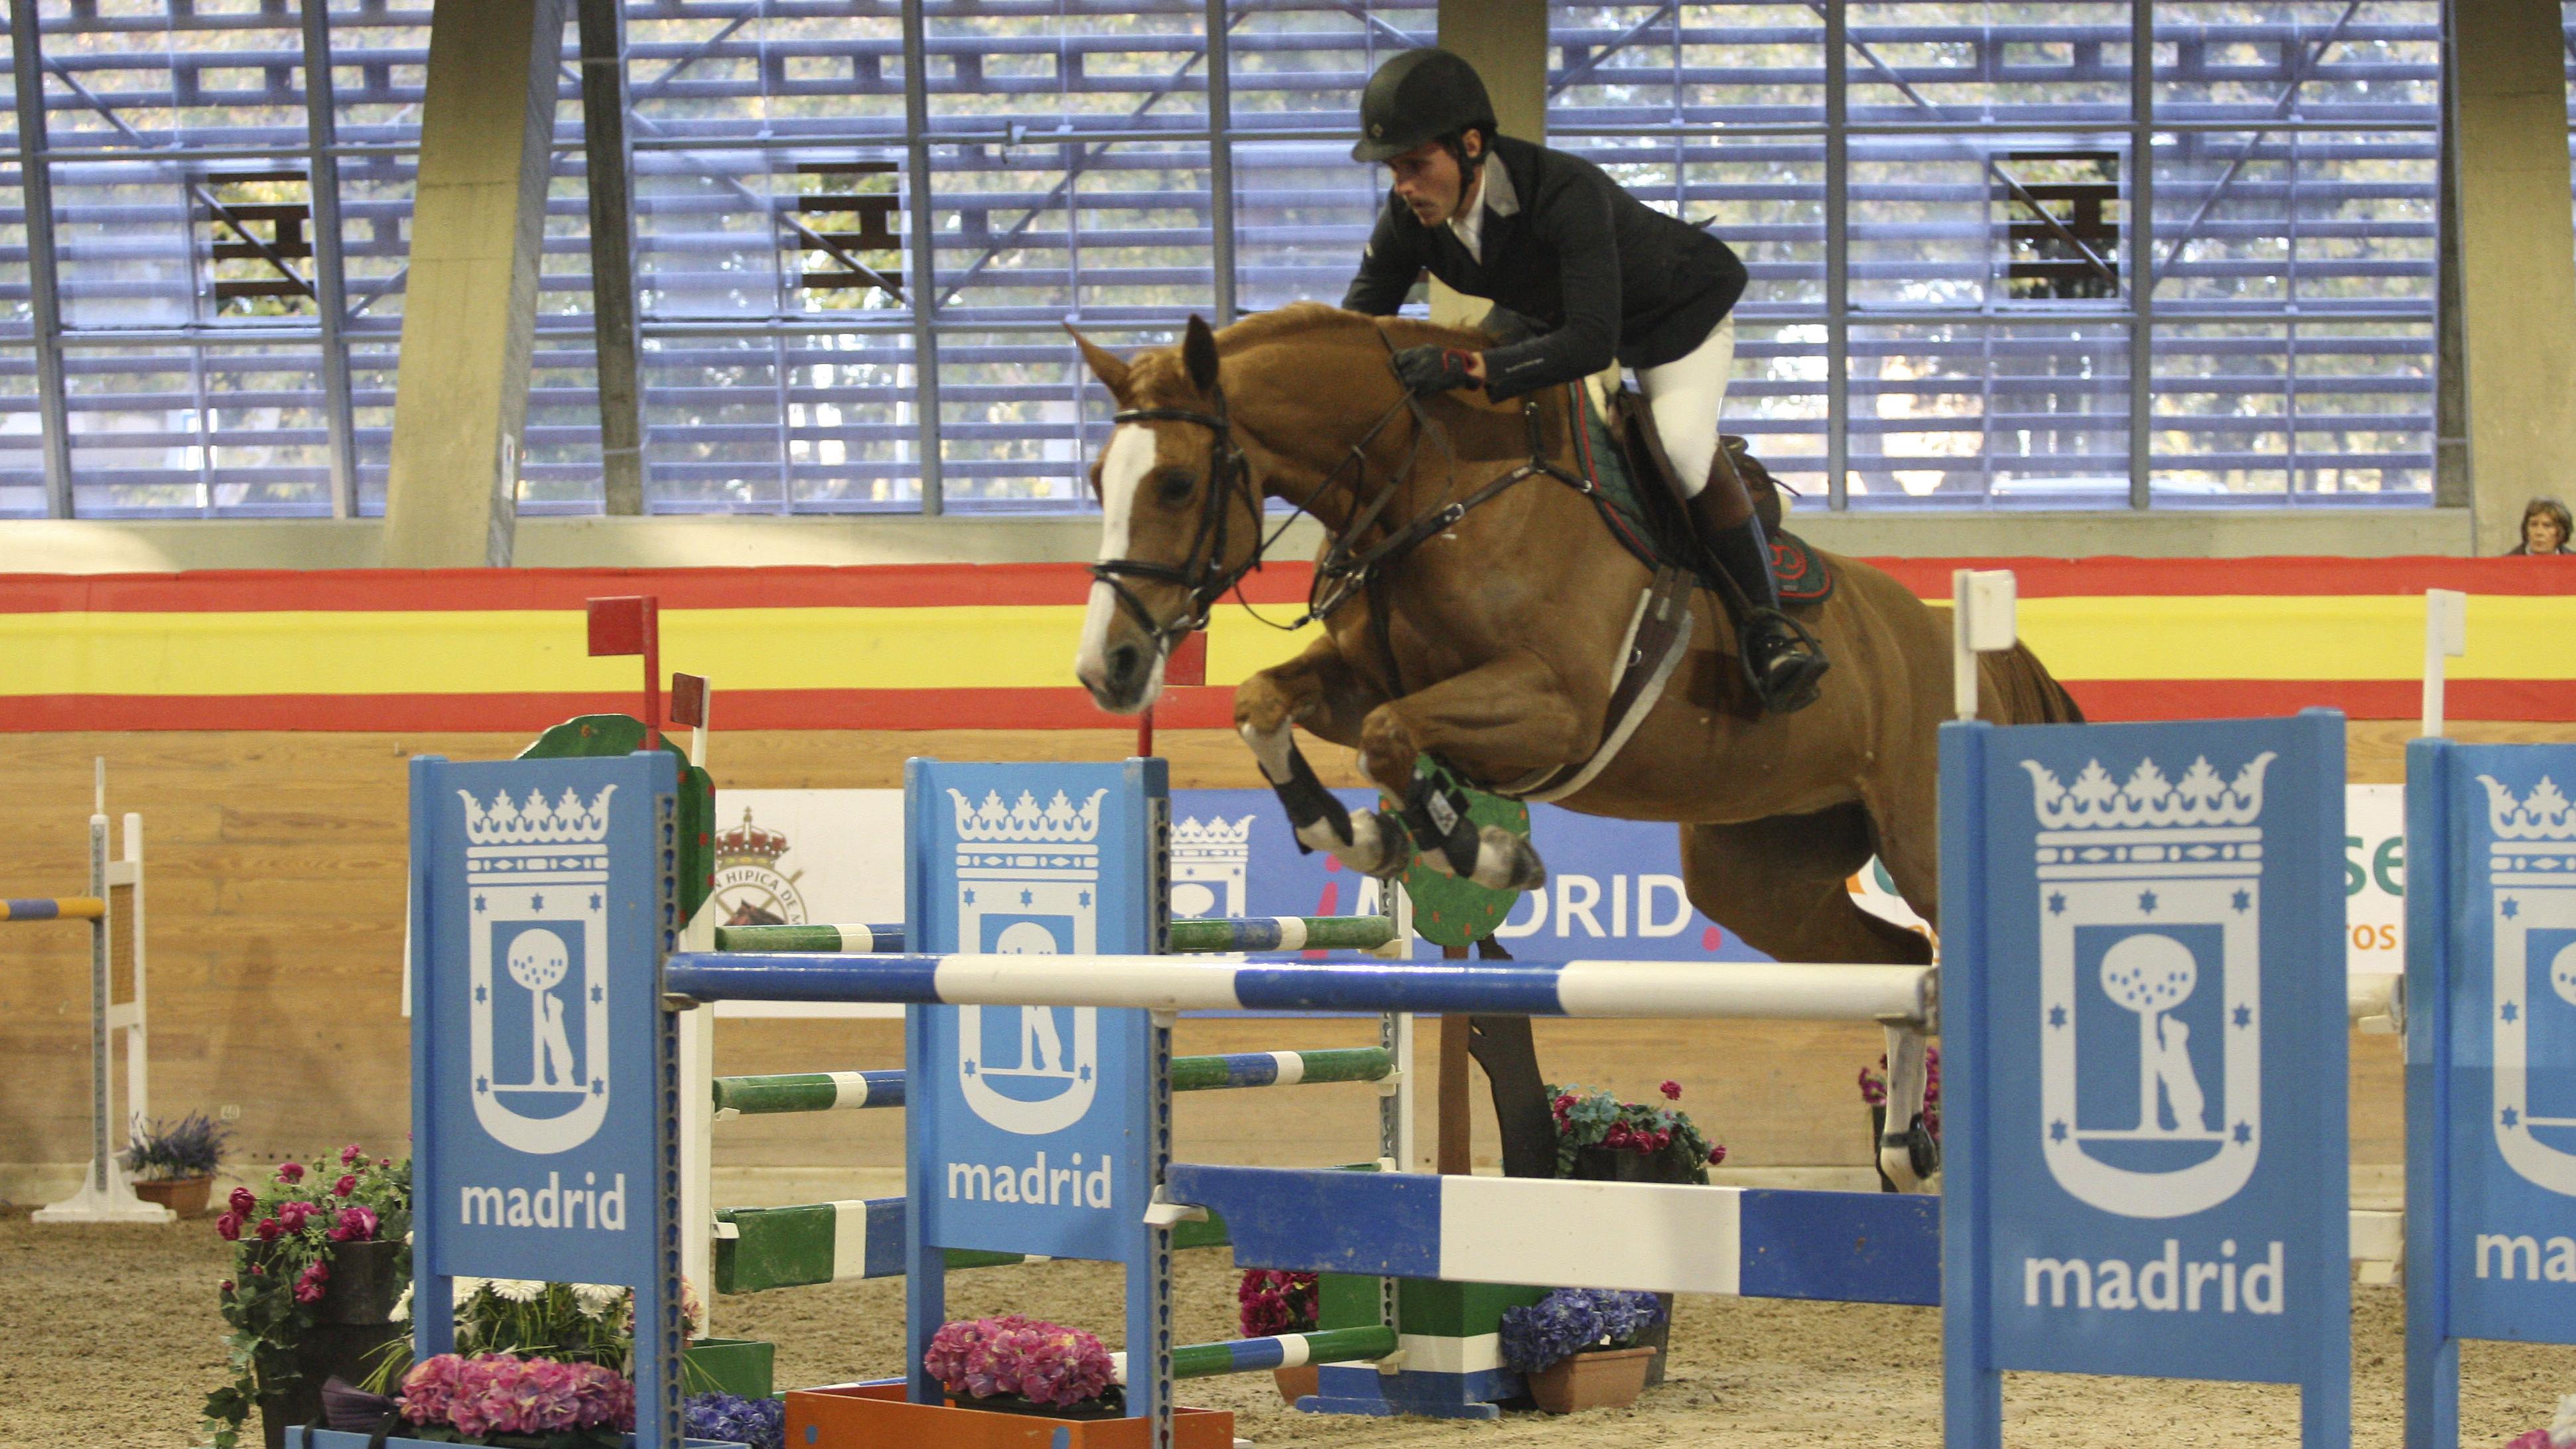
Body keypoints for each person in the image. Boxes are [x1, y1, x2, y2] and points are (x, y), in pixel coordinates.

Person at [1338, 47, 1828, 714]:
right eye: (1395, 170)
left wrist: (1473, 367)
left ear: (1471, 145)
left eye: (1416, 165)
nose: (1404, 186)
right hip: (1549, 312)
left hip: (1668, 315)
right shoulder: (1407, 220)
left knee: (1680, 448)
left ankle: (1769, 630)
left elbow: (1593, 342)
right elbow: (1357, 330)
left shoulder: (1564, 191)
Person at [2509, 497, 2573, 555]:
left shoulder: (2573, 562)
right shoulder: (2506, 564)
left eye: (2547, 526)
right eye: (2534, 525)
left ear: (2561, 531)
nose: (2539, 532)